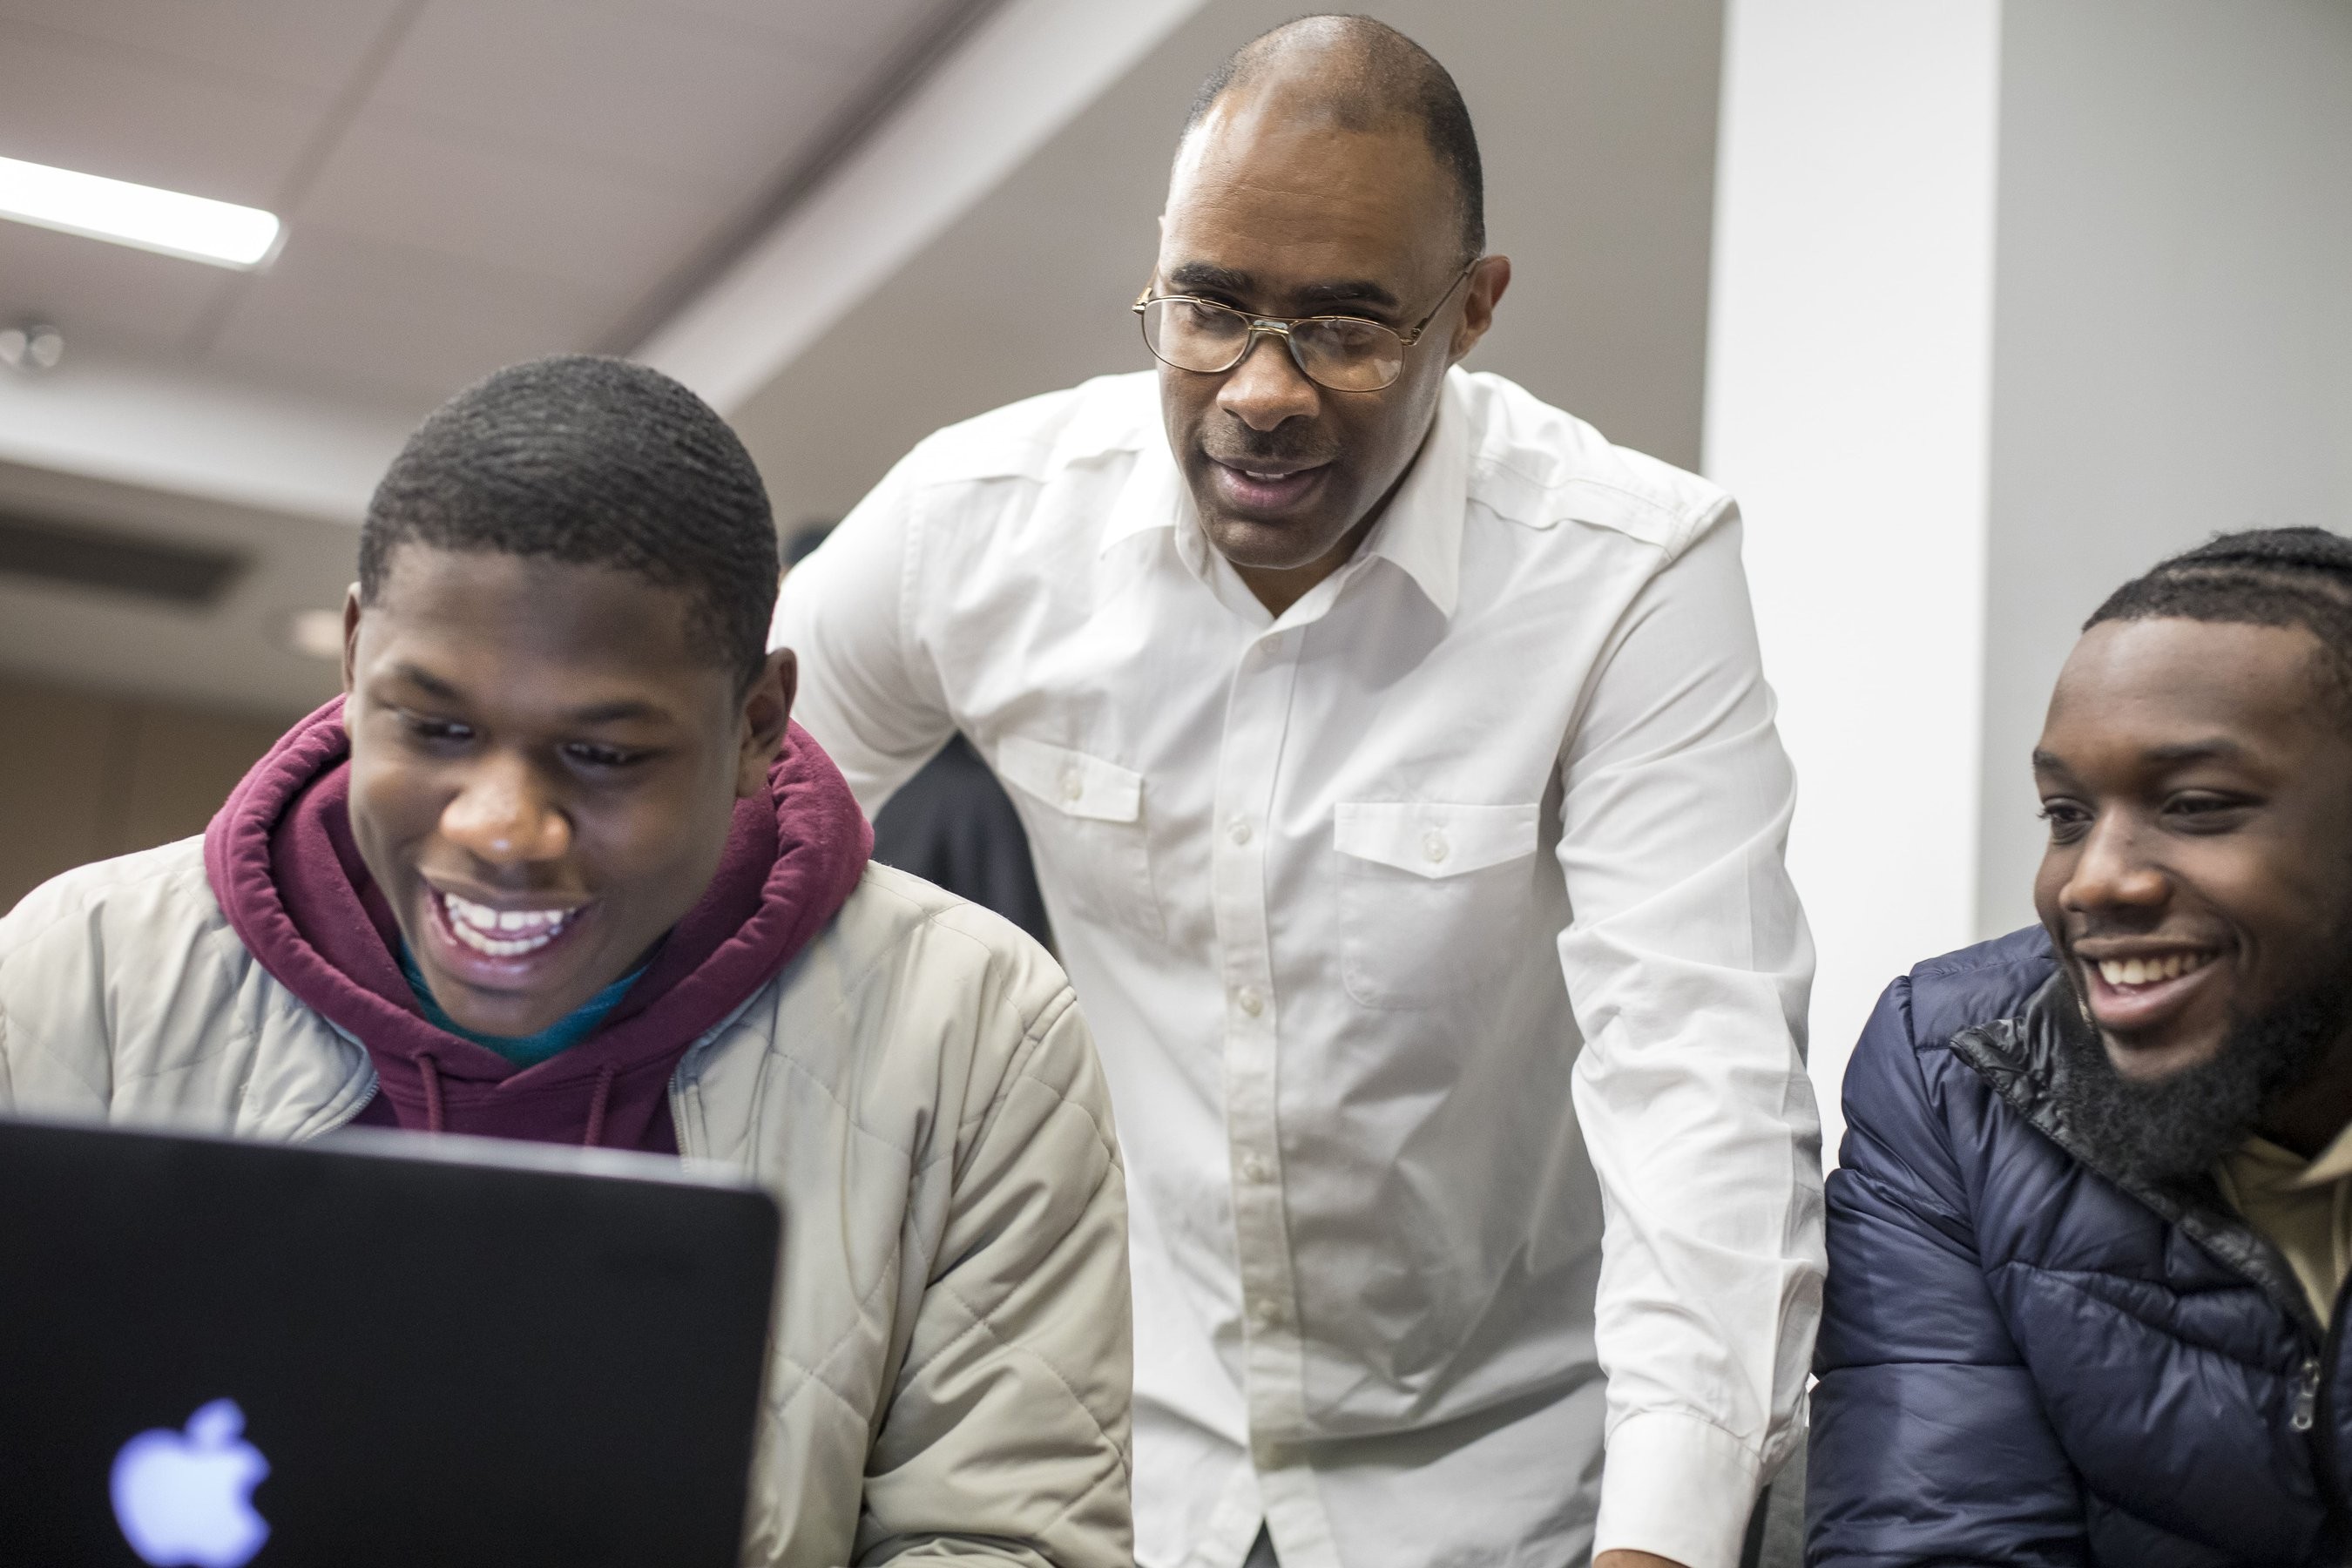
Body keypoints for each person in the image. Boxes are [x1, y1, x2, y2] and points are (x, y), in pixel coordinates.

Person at [775, 17, 1821, 1567]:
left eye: (1344, 326)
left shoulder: (1629, 574)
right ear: (1160, 273)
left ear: (1473, 312)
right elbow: (718, 848)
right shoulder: (975, 525)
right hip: (1115, 1444)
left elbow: (1702, 1079)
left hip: (1519, 1464)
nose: (1260, 393)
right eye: (1209, 309)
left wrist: (1664, 1540)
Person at [0, 356, 1132, 1567]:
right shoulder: (85, 974)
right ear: (350, 659)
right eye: (435, 729)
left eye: (601, 754)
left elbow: (1009, 1540)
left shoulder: (975, 1035)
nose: (499, 828)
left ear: (756, 727)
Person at [1809, 527, 2352, 1564]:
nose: (2093, 880)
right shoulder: (1957, 1069)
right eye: (2065, 813)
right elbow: (1941, 1536)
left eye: (2195, 806)